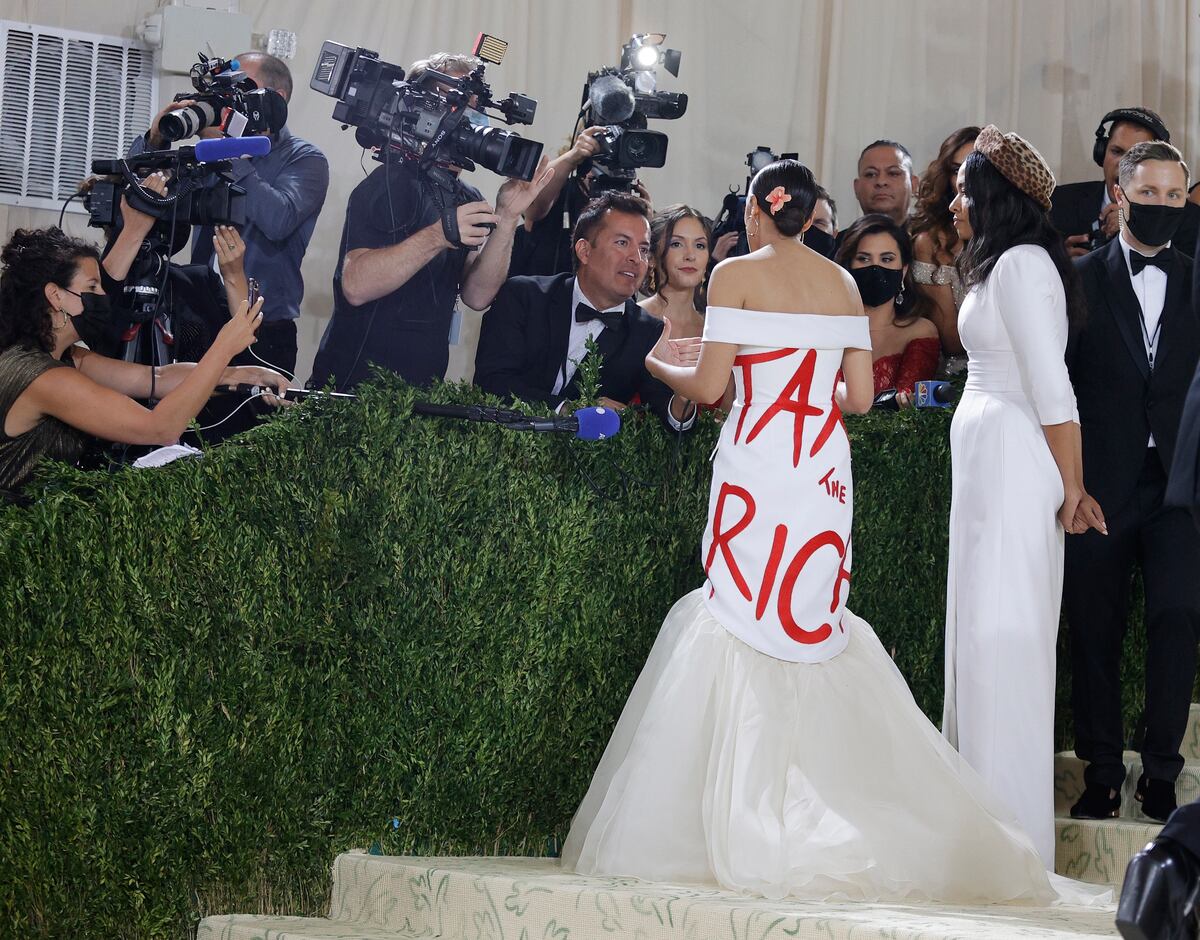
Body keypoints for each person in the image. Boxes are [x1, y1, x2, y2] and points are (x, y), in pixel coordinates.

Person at [561, 159, 1108, 905]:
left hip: (759, 460)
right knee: (811, 622)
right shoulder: (844, 284)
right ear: (811, 215)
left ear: (757, 210)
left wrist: (661, 361)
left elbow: (714, 386)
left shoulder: (734, 276)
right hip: (821, 467)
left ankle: (750, 812)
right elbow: (855, 397)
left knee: (741, 615)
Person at [941, 126, 1106, 869]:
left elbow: (1052, 387)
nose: (951, 203)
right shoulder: (998, 265)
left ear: (993, 198)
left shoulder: (1024, 266)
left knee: (1004, 643)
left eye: (962, 190)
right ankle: (978, 830)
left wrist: (1072, 488)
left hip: (1015, 462)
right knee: (978, 642)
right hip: (988, 465)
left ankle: (1008, 848)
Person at [1065, 141, 1200, 825]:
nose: (1163, 207)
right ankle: (1101, 770)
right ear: (1120, 196)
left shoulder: (1199, 278)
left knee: (1177, 621)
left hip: (1180, 488)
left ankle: (1162, 772)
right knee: (1094, 628)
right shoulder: (1078, 279)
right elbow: (1057, 385)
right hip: (1098, 484)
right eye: (1150, 194)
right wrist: (1070, 483)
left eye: (1175, 196)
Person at [311, 53, 552, 391]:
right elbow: (355, 285)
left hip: (421, 397)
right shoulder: (387, 183)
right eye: (452, 105)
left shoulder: (466, 196)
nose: (465, 120)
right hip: (354, 393)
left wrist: (509, 217)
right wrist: (439, 235)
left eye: (472, 108)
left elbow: (478, 295)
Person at [0, 228, 286, 492]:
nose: (103, 297)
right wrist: (223, 347)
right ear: (55, 296)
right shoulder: (46, 378)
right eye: (92, 288)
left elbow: (155, 378)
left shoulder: (69, 358)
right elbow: (160, 428)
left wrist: (241, 374)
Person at [140, 52, 329, 376]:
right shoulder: (206, 152)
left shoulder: (305, 159)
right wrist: (157, 139)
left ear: (276, 97)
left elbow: (278, 219)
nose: (230, 100)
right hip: (196, 319)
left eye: (241, 88)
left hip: (262, 328)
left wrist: (229, 151)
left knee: (251, 425)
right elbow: (147, 196)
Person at [474, 191, 695, 429]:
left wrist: (684, 390)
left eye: (643, 249)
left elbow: (669, 422)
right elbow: (491, 381)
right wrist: (570, 410)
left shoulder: (649, 332)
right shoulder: (524, 296)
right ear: (584, 251)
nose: (636, 259)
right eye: (622, 243)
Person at [1052, 107, 1200, 262]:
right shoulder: (1059, 202)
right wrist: (1060, 263)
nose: (1123, 163)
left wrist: (1140, 226)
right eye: (1116, 151)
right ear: (1101, 153)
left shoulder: (1190, 221)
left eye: (1137, 156)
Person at [834, 213, 939, 402]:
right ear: (849, 266)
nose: (876, 267)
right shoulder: (828, 328)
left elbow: (906, 409)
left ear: (904, 269)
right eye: (864, 259)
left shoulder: (920, 331)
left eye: (887, 259)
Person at [910, 126, 980, 363]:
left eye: (976, 167)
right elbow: (951, 342)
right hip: (955, 375)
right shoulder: (930, 243)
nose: (966, 177)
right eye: (956, 170)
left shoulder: (1014, 239)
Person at [640, 204, 712, 339]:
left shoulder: (712, 332)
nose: (690, 256)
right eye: (676, 244)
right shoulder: (630, 321)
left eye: (700, 245)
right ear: (651, 257)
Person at [851, 139, 918, 229]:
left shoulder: (934, 241)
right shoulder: (839, 242)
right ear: (856, 188)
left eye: (893, 173)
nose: (881, 182)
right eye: (870, 174)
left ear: (913, 185)